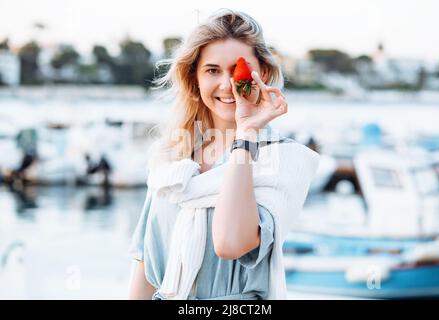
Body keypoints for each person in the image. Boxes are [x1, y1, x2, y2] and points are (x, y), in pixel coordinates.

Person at [128, 9, 320, 300]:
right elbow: (145, 266)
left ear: (263, 73)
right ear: (195, 79)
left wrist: (246, 134)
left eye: (237, 69)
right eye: (212, 70)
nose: (227, 84)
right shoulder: (171, 158)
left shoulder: (284, 159)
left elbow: (230, 242)